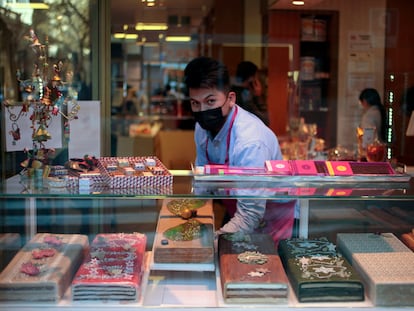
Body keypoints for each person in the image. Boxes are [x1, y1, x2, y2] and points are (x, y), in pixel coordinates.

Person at [184, 56, 295, 246]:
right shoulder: (201, 128)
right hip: (237, 204)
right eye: (195, 103)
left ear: (230, 99)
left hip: (270, 215)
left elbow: (250, 214)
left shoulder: (249, 142)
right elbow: (203, 179)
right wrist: (193, 216)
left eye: (210, 101)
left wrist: (210, 242)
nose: (202, 110)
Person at [231, 61, 269, 125]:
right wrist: (258, 97)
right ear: (251, 78)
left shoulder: (232, 92)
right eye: (256, 77)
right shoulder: (245, 96)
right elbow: (265, 121)